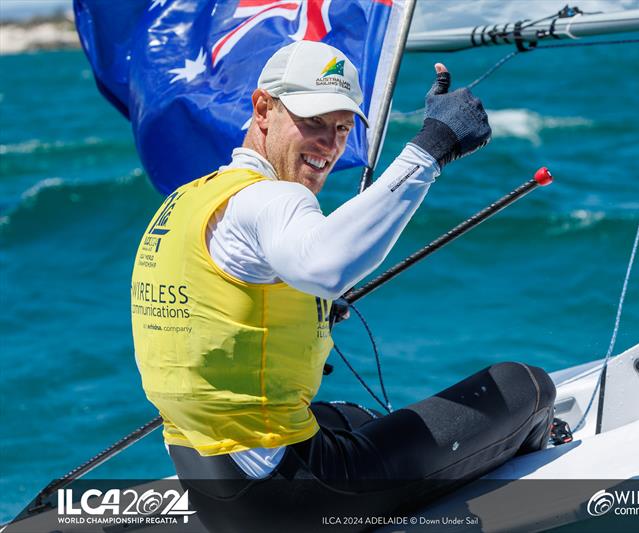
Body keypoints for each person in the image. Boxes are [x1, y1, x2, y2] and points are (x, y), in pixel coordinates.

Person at [131, 40, 555, 532]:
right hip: (290, 496)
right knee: (525, 387)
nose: (329, 145)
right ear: (263, 108)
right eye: (312, 122)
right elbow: (325, 263)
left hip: (210, 481)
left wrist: (308, 308)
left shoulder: (187, 202)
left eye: (341, 128)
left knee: (355, 415)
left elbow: (220, 316)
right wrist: (432, 146)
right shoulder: (271, 200)